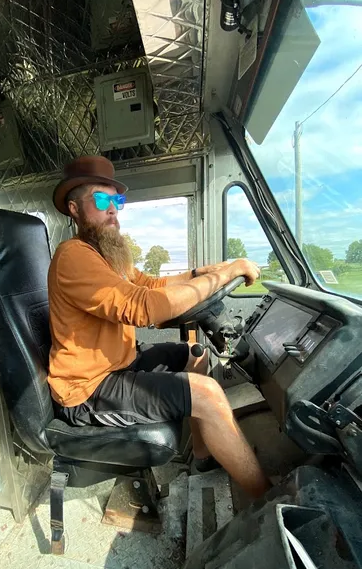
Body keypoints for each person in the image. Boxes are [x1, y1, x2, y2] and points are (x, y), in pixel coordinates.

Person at [48, 155, 271, 498]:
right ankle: (268, 500)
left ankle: (201, 456)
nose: (113, 210)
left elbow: (153, 286)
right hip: (88, 388)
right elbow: (143, 308)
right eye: (102, 199)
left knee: (196, 355)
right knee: (208, 395)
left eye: (117, 200)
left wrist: (214, 271)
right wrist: (226, 275)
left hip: (120, 363)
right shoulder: (73, 256)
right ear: (75, 210)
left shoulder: (107, 257)